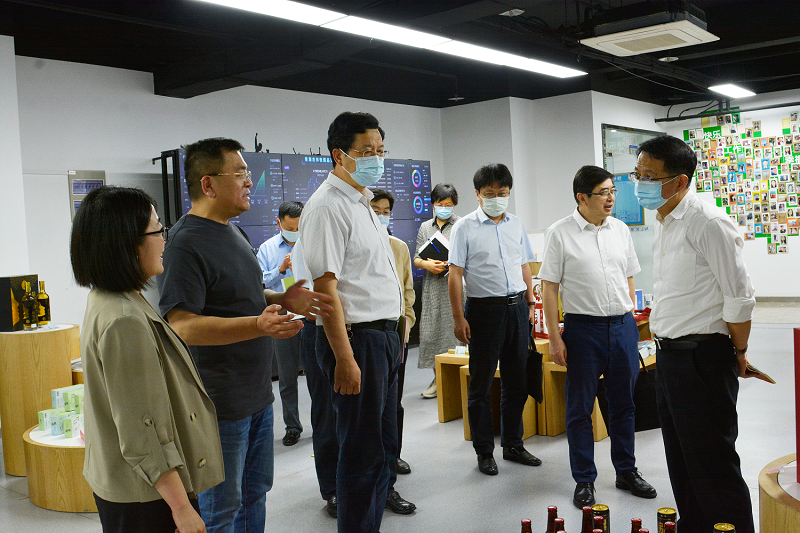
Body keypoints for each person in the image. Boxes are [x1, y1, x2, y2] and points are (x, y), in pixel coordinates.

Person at [157, 137, 332, 533]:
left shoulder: (233, 232)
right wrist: (257, 325)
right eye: (239, 173)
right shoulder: (185, 243)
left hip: (255, 395)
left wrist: (281, 297)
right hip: (219, 405)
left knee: (254, 493)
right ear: (208, 184)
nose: (250, 182)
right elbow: (182, 324)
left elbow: (243, 295)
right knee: (221, 510)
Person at [71, 186, 223, 533]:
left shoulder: (110, 298)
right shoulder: (124, 320)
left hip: (132, 487)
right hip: (147, 496)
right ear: (127, 244)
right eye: (157, 230)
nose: (164, 240)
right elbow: (143, 432)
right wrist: (181, 508)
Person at [634, 135, 765, 533]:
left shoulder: (707, 222)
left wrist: (739, 352)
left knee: (712, 464)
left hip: (702, 358)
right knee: (681, 460)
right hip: (669, 357)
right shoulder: (664, 221)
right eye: (638, 174)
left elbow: (739, 297)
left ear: (680, 181)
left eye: (650, 176)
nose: (640, 183)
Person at [299, 111, 403, 533]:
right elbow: (326, 289)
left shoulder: (363, 204)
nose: (377, 158)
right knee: (361, 454)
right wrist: (344, 357)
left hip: (385, 339)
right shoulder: (328, 206)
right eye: (367, 151)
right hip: (357, 341)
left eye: (380, 150)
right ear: (339, 155)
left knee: (382, 448)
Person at [539, 165, 657, 509]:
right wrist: (555, 339)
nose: (610, 198)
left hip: (622, 327)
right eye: (603, 192)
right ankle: (584, 480)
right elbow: (549, 288)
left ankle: (626, 471)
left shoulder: (619, 229)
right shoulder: (560, 233)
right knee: (579, 409)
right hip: (583, 330)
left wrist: (631, 318)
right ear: (582, 197)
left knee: (624, 404)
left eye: (612, 191)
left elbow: (629, 276)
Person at [447, 163, 540, 476]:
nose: (497, 198)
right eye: (490, 193)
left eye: (502, 193)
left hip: (517, 309)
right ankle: (484, 451)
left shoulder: (516, 224)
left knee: (517, 381)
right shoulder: (464, 228)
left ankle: (513, 444)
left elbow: (524, 266)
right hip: (483, 311)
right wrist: (458, 318)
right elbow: (455, 275)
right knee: (481, 385)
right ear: (477, 194)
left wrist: (530, 302)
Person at [370, 188, 417, 514]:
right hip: (365, 341)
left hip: (395, 339)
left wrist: (405, 328)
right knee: (367, 418)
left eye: (386, 210)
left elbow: (407, 293)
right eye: (375, 209)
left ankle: (390, 469)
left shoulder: (398, 247)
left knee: (391, 410)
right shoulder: (352, 244)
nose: (381, 215)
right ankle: (369, 485)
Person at [256, 201, 304, 447]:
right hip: (283, 315)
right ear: (279, 224)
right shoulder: (267, 248)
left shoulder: (312, 243)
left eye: (298, 228)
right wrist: (281, 269)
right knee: (287, 376)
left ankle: (325, 423)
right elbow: (259, 281)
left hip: (312, 313)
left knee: (320, 373)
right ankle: (292, 426)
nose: (295, 232)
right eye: (290, 228)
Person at [414, 183, 462, 399]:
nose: (444, 208)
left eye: (448, 204)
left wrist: (452, 263)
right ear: (433, 204)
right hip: (433, 286)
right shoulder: (426, 227)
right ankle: (439, 379)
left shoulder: (461, 225)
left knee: (455, 332)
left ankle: (460, 377)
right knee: (432, 332)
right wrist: (426, 264)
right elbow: (416, 258)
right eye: (440, 204)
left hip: (455, 285)